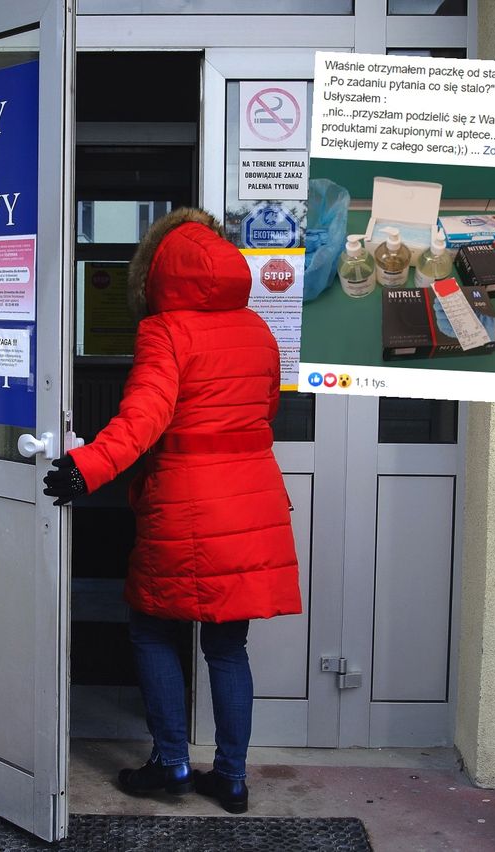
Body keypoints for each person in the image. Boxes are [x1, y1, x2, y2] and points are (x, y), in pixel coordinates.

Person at [43, 208, 301, 814]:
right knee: (227, 646)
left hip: (187, 502)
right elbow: (265, 412)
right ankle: (232, 778)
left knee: (153, 627)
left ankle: (172, 763)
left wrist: (87, 467)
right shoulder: (258, 329)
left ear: (158, 274)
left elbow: (144, 418)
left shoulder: (166, 331)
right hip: (252, 495)